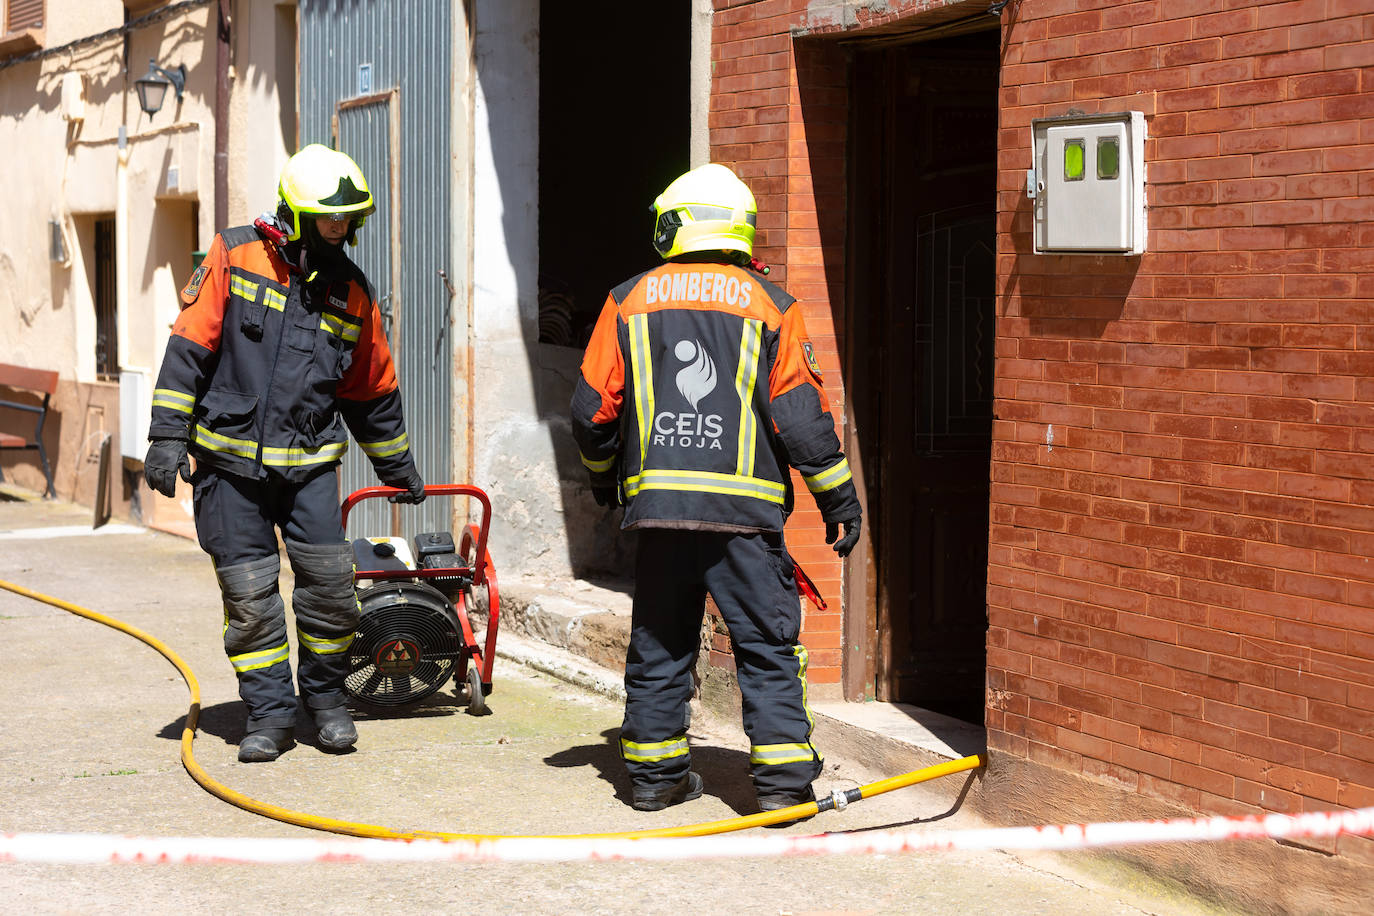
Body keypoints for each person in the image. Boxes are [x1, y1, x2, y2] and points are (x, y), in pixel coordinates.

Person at [571, 163, 863, 815]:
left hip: (662, 517)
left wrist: (602, 481)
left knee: (661, 641)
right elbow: (802, 419)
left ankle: (653, 781)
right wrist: (838, 498)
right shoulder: (772, 306)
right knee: (765, 646)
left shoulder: (629, 299)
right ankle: (784, 791)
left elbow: (591, 410)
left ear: (679, 224)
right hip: (744, 517)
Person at [144, 144, 425, 763]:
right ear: (296, 216)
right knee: (250, 598)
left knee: (330, 589)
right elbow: (188, 350)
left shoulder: (353, 294)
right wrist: (166, 436)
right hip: (227, 470)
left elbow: (371, 392)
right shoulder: (234, 254)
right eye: (331, 220)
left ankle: (324, 703)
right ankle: (269, 714)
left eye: (350, 221)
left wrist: (398, 468)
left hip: (308, 470)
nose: (342, 231)